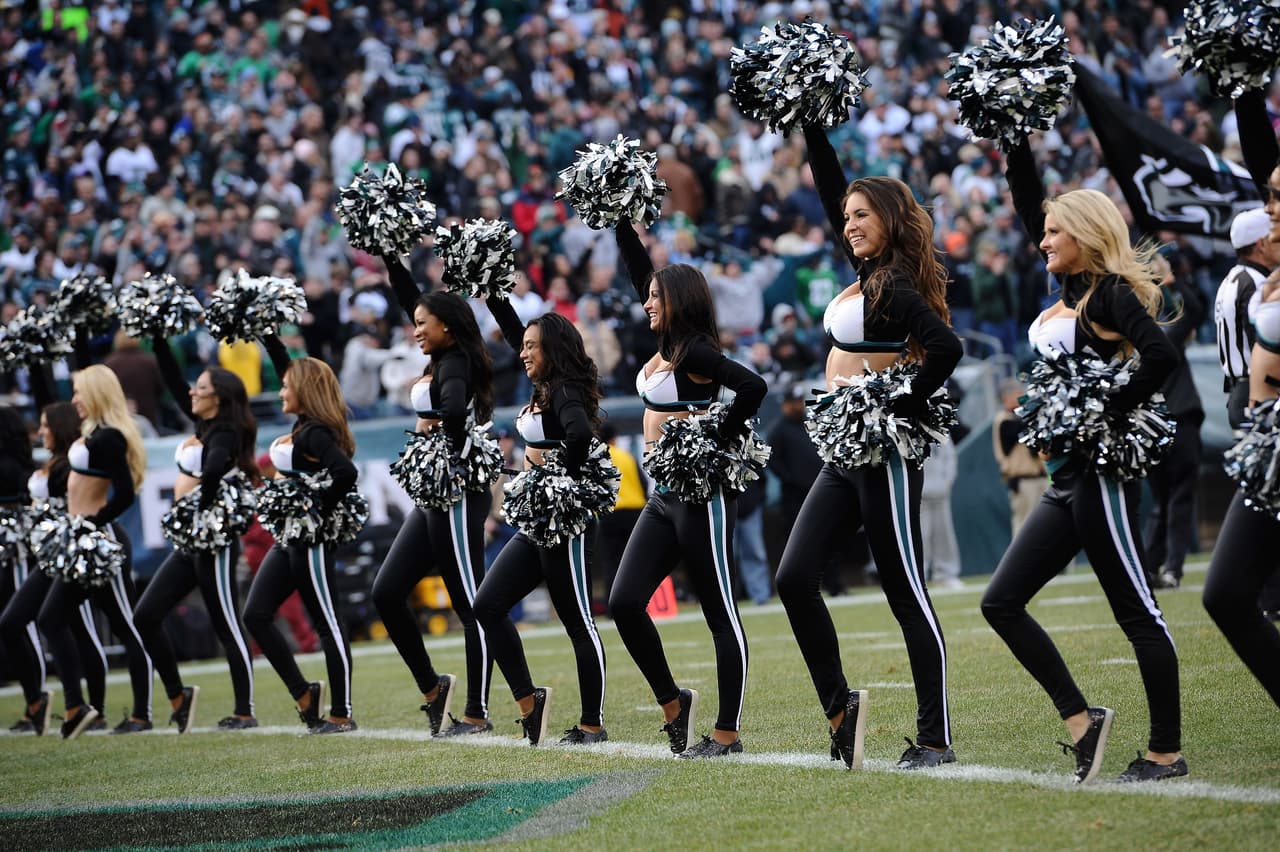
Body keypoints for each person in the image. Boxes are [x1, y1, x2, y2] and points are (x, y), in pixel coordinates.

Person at [982, 135, 1183, 784]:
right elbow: (1026, 205)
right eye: (1042, 231)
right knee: (1000, 601)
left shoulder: (1107, 296)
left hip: (1100, 478)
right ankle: (1081, 721)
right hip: (1064, 483)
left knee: (1138, 614)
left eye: (1055, 231)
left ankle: (1165, 753)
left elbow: (1161, 358)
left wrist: (1108, 406)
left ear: (1087, 235)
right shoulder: (1068, 293)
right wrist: (1012, 137)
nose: (1042, 240)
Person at [775, 124, 963, 773]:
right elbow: (831, 193)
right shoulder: (867, 271)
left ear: (888, 219)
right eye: (847, 215)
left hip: (882, 452)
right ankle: (839, 713)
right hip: (845, 451)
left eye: (862, 215)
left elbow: (946, 349)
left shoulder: (893, 284)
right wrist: (811, 126)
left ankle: (935, 739)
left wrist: (900, 400)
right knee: (794, 577)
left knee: (906, 591)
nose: (849, 223)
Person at [608, 217, 768, 759]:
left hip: (700, 497)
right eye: (648, 295)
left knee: (719, 611)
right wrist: (619, 222)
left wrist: (716, 434)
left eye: (656, 296)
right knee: (625, 602)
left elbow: (753, 386)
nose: (647, 302)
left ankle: (727, 732)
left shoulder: (695, 350)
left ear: (679, 300)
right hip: (663, 498)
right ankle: (674, 705)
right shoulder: (670, 342)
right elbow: (639, 272)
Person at [371, 255, 501, 738]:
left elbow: (450, 405)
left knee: (471, 605)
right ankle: (433, 689)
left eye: (423, 325)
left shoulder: (457, 362)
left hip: (459, 491)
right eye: (415, 323)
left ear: (446, 326)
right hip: (434, 493)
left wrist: (434, 424)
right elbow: (413, 300)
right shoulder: (440, 354)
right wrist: (390, 255)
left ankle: (477, 712)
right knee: (386, 592)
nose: (415, 330)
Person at [472, 303, 609, 747]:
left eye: (534, 347)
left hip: (564, 522)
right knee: (488, 604)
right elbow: (517, 334)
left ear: (553, 350)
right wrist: (494, 295)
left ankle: (592, 725)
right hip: (539, 521)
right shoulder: (546, 384)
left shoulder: (566, 389)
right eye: (524, 345)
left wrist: (554, 477)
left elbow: (581, 437)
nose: (524, 352)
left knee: (577, 622)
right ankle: (530, 703)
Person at [132, 341, 261, 733]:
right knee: (147, 614)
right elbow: (174, 384)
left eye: (200, 388)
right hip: (192, 541)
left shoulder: (225, 430)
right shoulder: (204, 423)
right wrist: (157, 340)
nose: (192, 392)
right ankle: (178, 696)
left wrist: (201, 497)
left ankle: (244, 710)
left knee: (227, 624)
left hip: (215, 541)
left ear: (217, 397)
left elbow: (218, 464)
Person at [242, 350, 360, 734]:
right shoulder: (305, 425)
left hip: (309, 540)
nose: (279, 392)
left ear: (304, 391)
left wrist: (315, 506)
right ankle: (304, 693)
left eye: (286, 386)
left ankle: (341, 714)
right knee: (256, 614)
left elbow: (345, 473)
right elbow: (288, 367)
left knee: (327, 623)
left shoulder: (315, 432)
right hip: (288, 537)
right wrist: (267, 333)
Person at [39, 365, 154, 737]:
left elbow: (123, 492)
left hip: (100, 542)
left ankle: (142, 712)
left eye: (79, 393)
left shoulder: (109, 438)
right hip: (81, 540)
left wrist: (95, 521)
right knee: (52, 617)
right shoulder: (95, 434)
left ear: (97, 394)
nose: (73, 401)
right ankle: (78, 706)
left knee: (126, 626)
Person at [1203, 270, 1280, 708]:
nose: (1270, 209)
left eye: (1273, 198)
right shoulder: (1253, 279)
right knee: (1225, 594)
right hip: (1267, 435)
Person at [1143, 259, 1206, 590]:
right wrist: (1171, 280)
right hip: (1179, 420)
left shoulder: (1130, 342)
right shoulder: (1166, 335)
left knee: (1161, 502)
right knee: (1179, 498)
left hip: (1151, 427)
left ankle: (1150, 567)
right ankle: (1171, 568)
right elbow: (1194, 309)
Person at [1216, 208, 1279, 431]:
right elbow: (1264, 344)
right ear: (1261, 243)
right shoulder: (1256, 283)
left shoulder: (1233, 278)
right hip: (1257, 394)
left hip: (1239, 393)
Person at [594, 421, 646, 614]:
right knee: (636, 561)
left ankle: (611, 607)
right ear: (615, 438)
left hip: (611, 514)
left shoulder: (597, 457)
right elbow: (641, 484)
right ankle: (639, 603)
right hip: (634, 512)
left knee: (612, 561)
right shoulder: (626, 456)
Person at [992, 378, 1049, 537]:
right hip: (1022, 479)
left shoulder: (1023, 416)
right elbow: (1017, 431)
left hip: (1040, 476)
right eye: (1018, 394)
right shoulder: (1004, 419)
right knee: (1024, 525)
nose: (1022, 397)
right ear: (1006, 397)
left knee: (1047, 524)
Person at [921, 434, 963, 590]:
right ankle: (919, 577)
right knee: (920, 537)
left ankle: (946, 575)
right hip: (918, 495)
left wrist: (947, 482)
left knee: (944, 536)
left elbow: (950, 457)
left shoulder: (941, 428)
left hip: (940, 493)